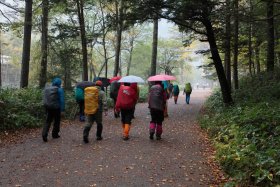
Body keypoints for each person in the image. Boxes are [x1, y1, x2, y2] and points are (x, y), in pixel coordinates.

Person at [42, 77, 65, 142]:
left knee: (48, 121)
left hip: (48, 107)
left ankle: (44, 134)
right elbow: (62, 100)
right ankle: (55, 134)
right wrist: (62, 110)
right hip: (56, 108)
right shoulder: (59, 89)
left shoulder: (47, 89)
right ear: (59, 83)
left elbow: (44, 98)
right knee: (57, 121)